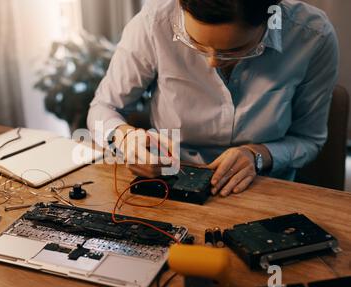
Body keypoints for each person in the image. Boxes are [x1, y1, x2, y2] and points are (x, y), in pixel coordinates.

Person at [87, 0, 339, 197]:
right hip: (168, 183)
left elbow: (309, 140)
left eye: (235, 50)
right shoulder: (154, 23)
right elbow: (103, 108)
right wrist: (126, 138)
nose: (212, 61)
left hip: (265, 188)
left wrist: (258, 155)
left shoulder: (312, 36)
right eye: (195, 43)